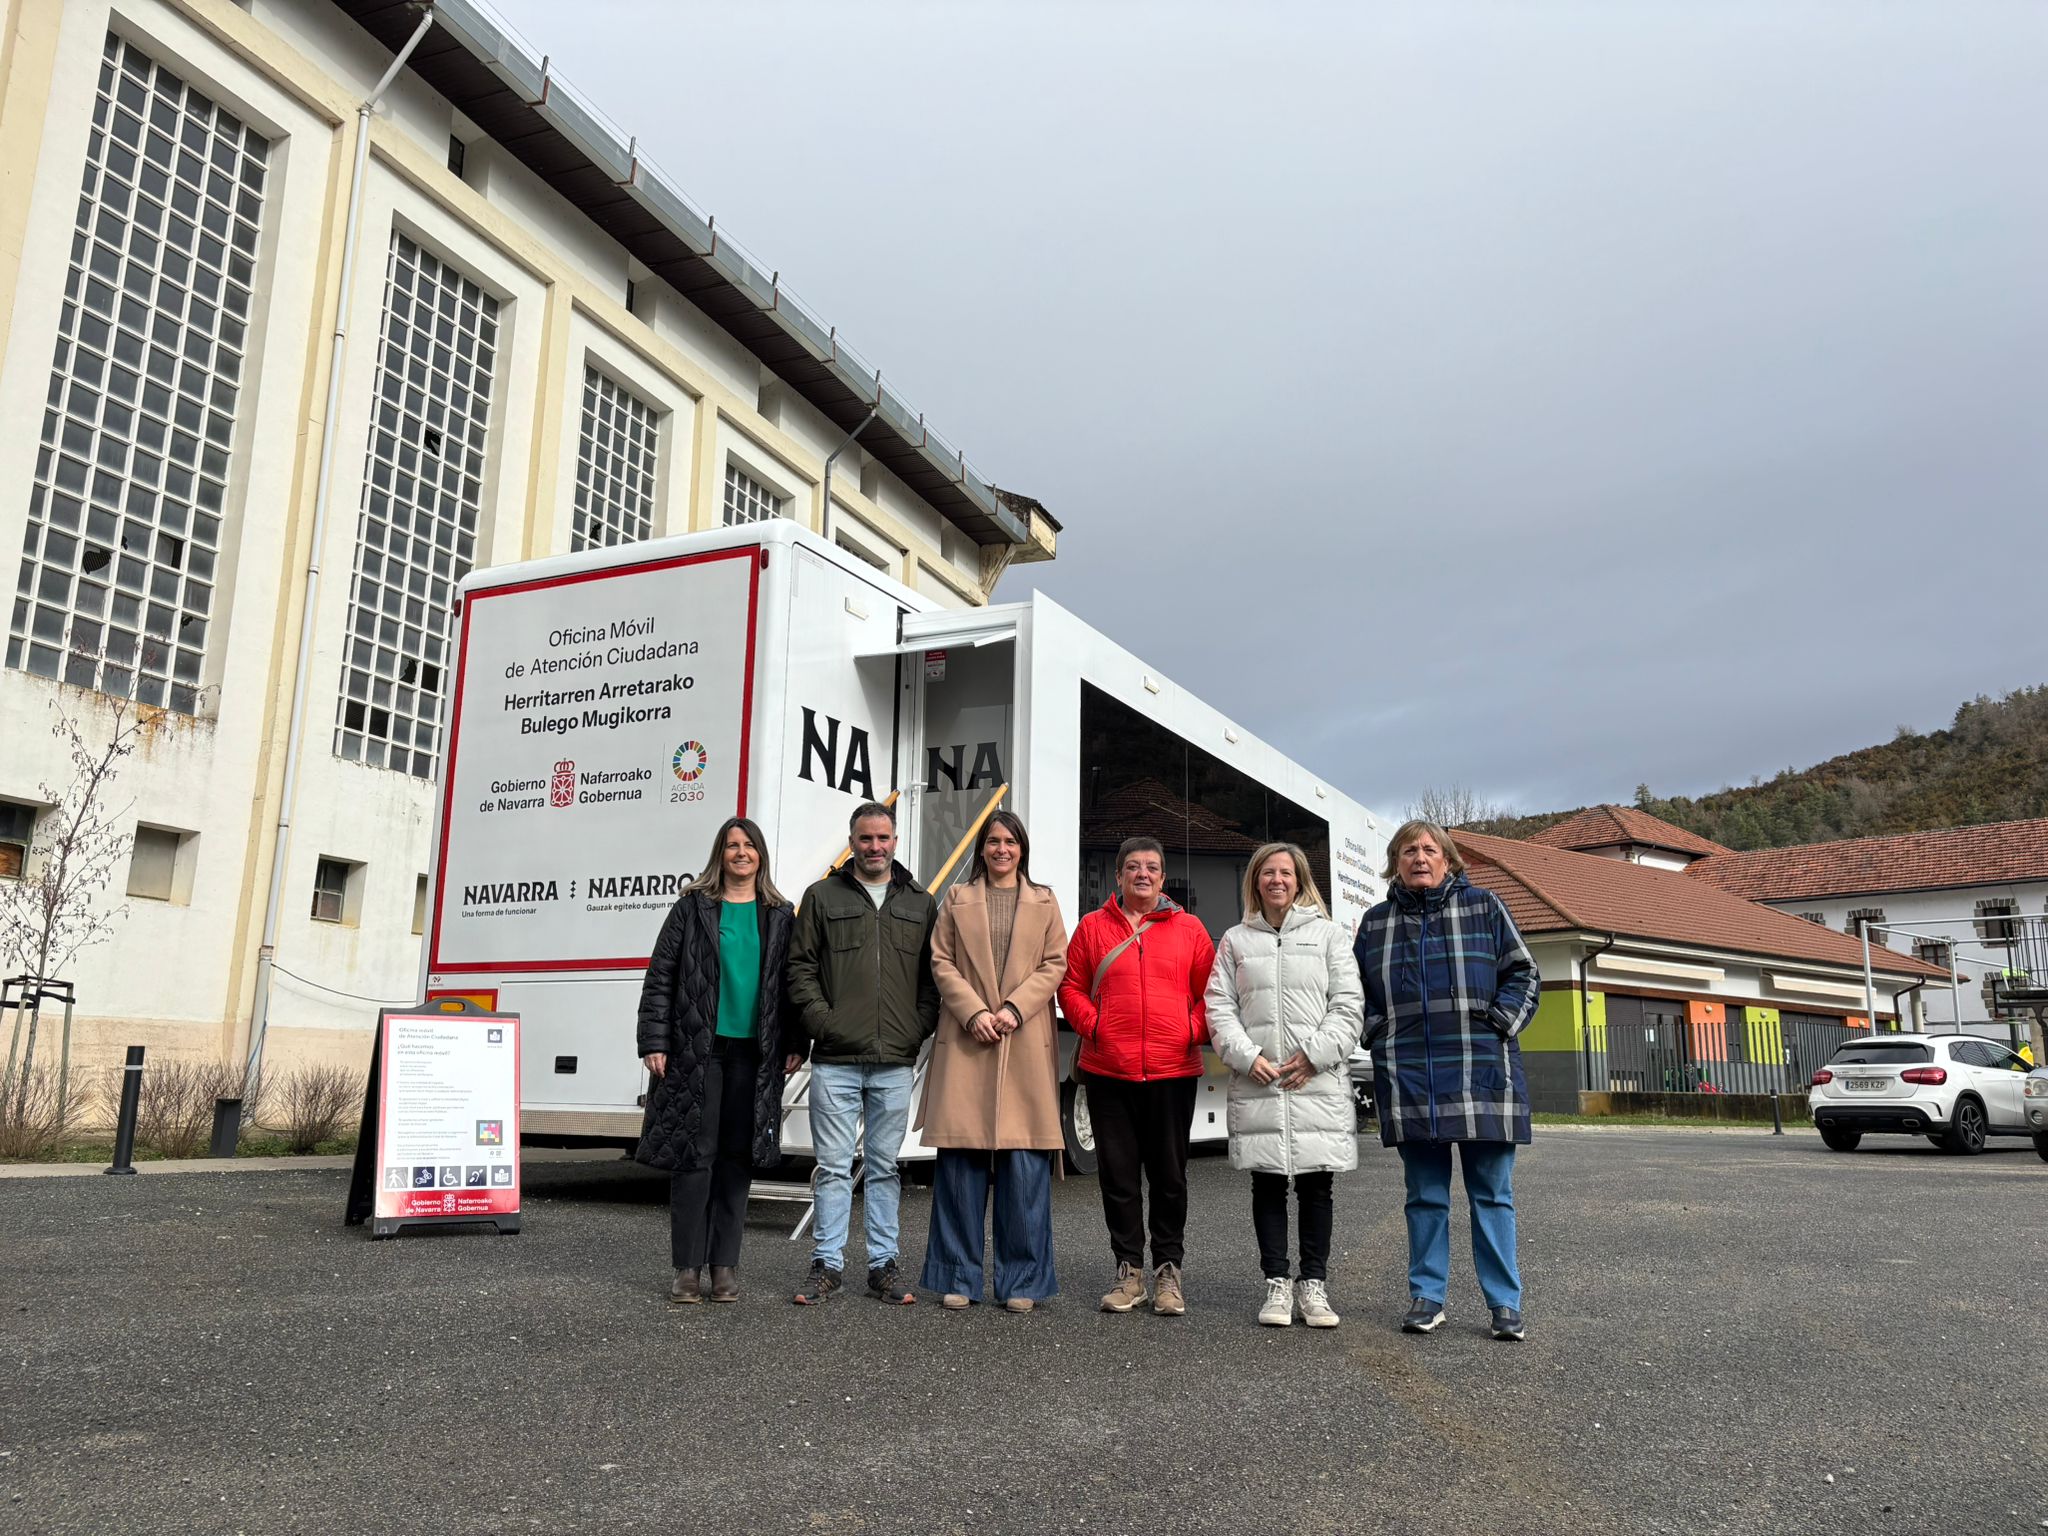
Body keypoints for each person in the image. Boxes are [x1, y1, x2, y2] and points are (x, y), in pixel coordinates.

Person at [1353, 819, 1539, 1342]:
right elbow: (1354, 992)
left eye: (1429, 849)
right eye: (1408, 850)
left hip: (1483, 1072)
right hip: (1409, 1076)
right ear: (1395, 863)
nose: (1419, 858)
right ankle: (1427, 1297)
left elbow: (1524, 973)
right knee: (1425, 1196)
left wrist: (1499, 1024)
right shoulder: (1376, 923)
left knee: (1492, 1195)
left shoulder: (1485, 907)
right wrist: (1377, 1032)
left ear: (1449, 860)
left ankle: (1504, 1304)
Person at [633, 816, 796, 1304]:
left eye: (749, 845)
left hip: (755, 1055)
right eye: (731, 845)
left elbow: (791, 987)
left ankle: (724, 1266)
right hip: (697, 1050)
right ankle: (687, 1269)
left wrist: (795, 1041)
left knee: (737, 1159)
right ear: (719, 855)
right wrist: (654, 1041)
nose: (740, 853)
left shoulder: (780, 914)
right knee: (694, 1157)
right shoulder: (692, 907)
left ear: (761, 854)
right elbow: (661, 976)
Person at [1204, 842, 1365, 1328]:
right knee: (1268, 1183)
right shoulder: (1235, 941)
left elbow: (1348, 1005)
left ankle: (1313, 1286)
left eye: (1286, 873)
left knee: (1317, 1186)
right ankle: (1277, 1284)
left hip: (1315, 1079)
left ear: (1299, 881)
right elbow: (1219, 1006)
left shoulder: (1329, 936)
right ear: (1255, 881)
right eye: (1268, 873)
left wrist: (1315, 1055)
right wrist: (1246, 1055)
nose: (1277, 880)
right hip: (1261, 1079)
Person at [785, 800, 940, 1306]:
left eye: (883, 838)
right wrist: (823, 1024)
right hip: (835, 1060)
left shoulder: (920, 902)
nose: (875, 847)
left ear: (896, 841)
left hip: (894, 1060)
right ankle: (826, 1265)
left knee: (884, 1168)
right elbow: (800, 968)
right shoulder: (821, 896)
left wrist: (916, 1028)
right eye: (866, 838)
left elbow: (932, 978)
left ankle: (883, 1267)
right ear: (851, 842)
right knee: (832, 1168)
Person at [917, 811, 1070, 1313]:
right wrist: (974, 1012)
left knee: (1024, 1168)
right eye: (993, 841)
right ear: (981, 849)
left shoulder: (1045, 901)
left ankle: (1022, 1280)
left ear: (1022, 849)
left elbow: (1055, 963)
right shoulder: (956, 898)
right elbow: (940, 960)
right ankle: (956, 1276)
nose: (1002, 849)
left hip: (1022, 1037)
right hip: (968, 1038)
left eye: (1010, 841)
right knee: (960, 1167)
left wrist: (1013, 1008)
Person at [1058, 836, 1216, 1316]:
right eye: (1132, 866)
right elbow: (1070, 987)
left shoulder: (1190, 929)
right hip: (1109, 1070)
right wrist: (1095, 1026)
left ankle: (1168, 1271)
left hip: (1173, 1070)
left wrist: (1189, 1030)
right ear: (1119, 876)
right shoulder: (1092, 927)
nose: (1142, 873)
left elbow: (1213, 994)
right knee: (1118, 1177)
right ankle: (1129, 1271)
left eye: (1151, 867)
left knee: (1170, 1177)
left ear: (1163, 878)